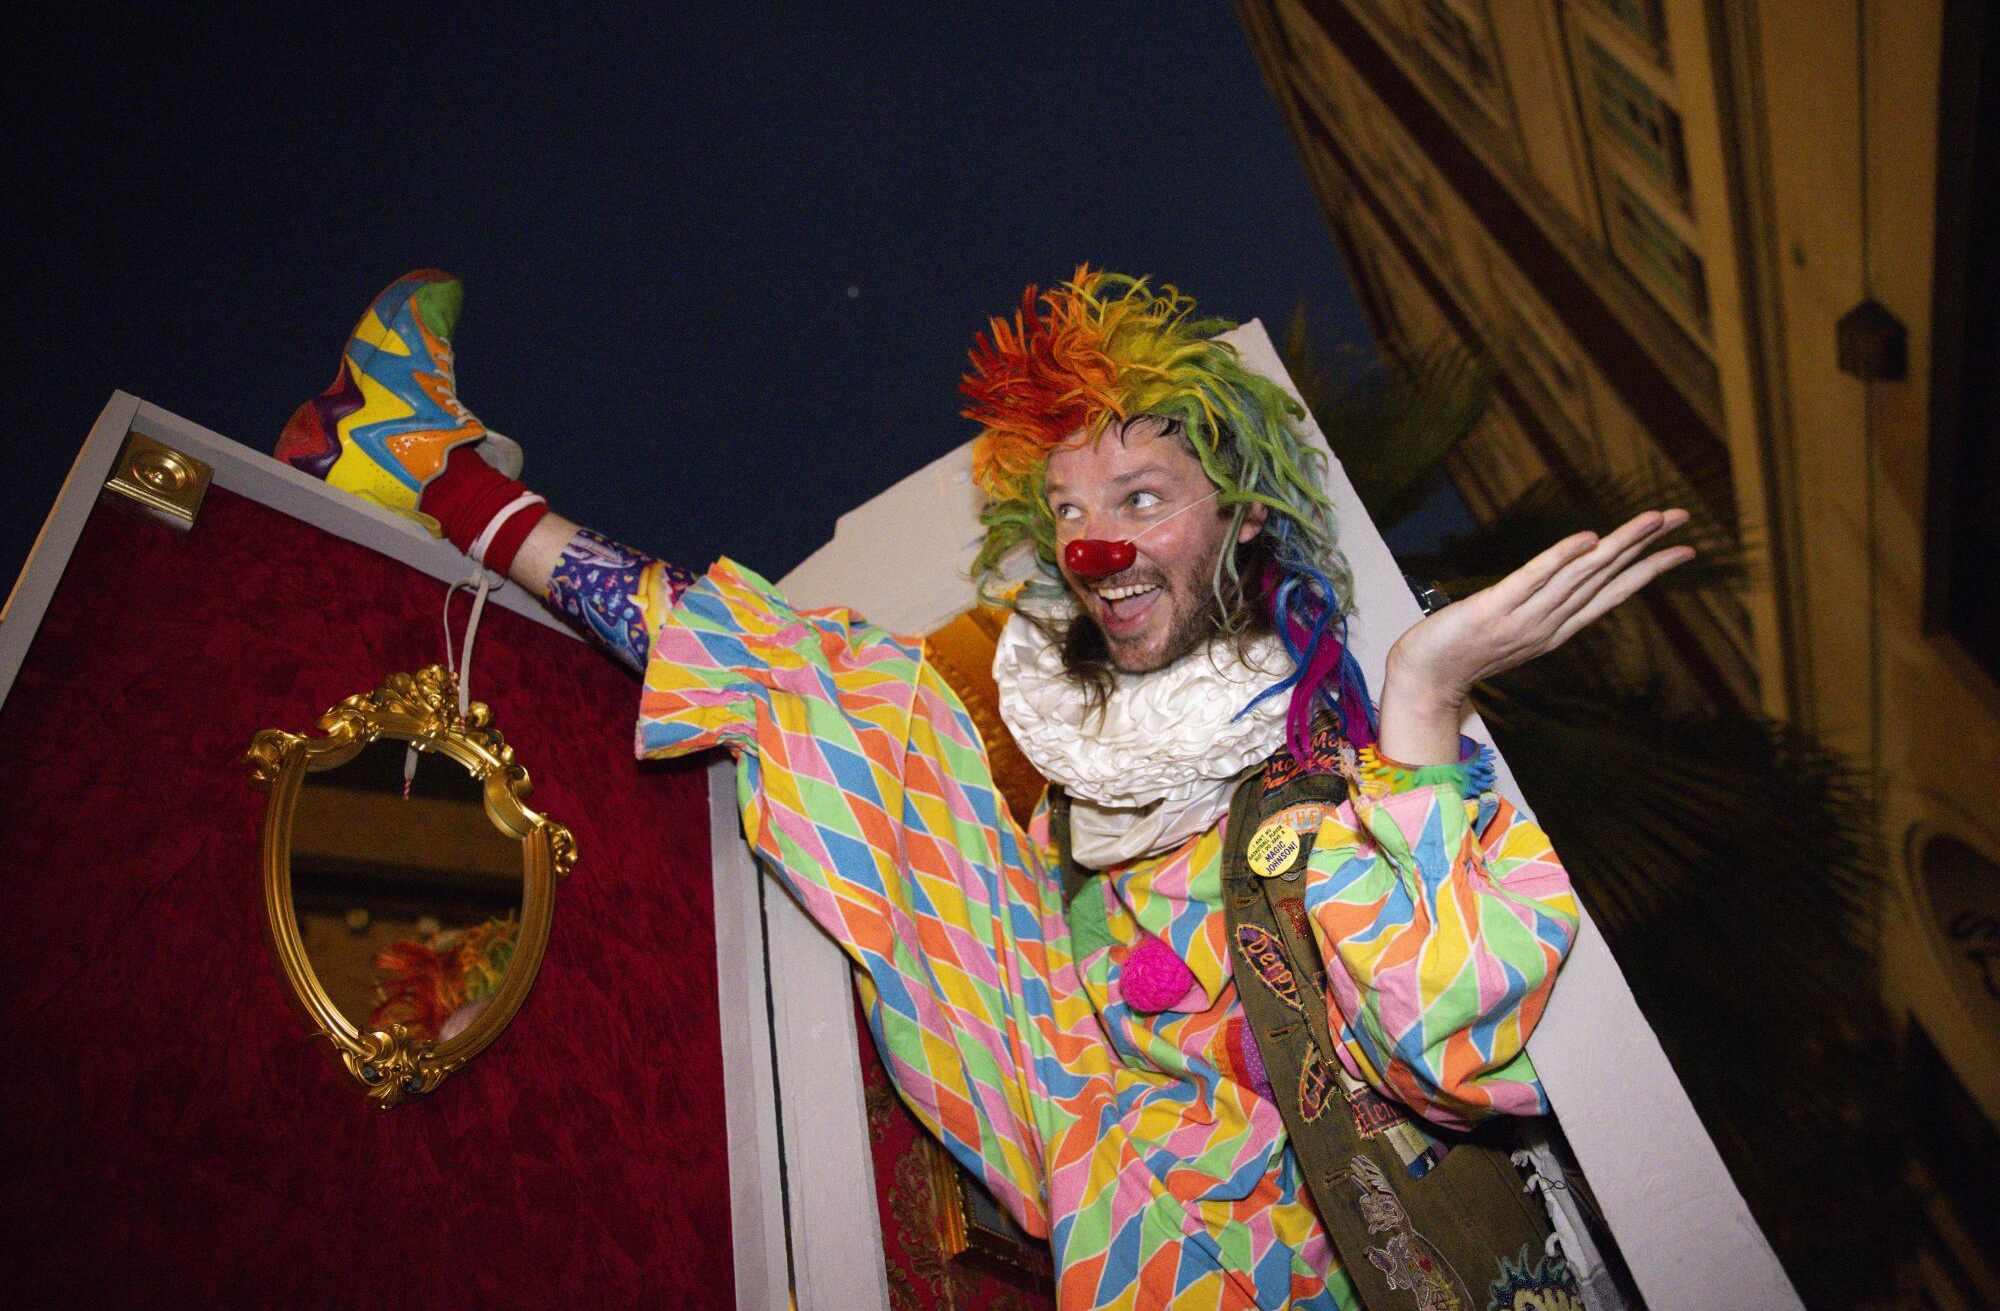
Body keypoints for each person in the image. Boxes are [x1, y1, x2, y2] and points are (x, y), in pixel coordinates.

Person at [278, 268, 1692, 1310]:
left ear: (1244, 517)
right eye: (1069, 512)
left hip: (1261, 1257)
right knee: (867, 701)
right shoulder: (1075, 791)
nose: (1091, 544)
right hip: (1093, 1142)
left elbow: (1447, 1050)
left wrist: (1433, 698)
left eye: (1140, 497)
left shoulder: (1358, 757)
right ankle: (429, 472)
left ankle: (419, 459)